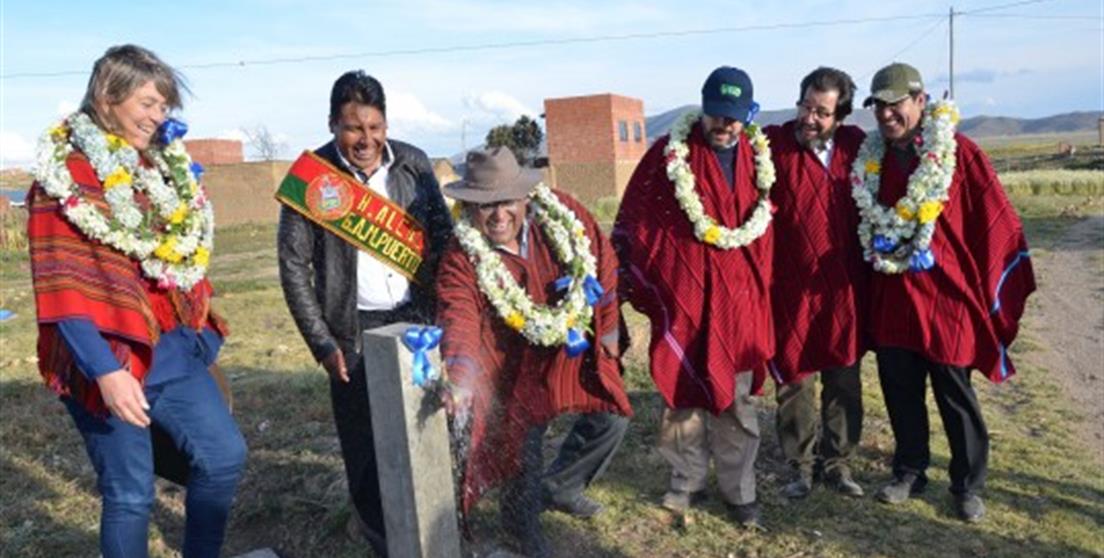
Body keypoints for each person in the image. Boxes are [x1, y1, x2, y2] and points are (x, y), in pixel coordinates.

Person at [27, 44, 246, 558]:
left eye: (164, 105)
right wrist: (106, 372)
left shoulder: (155, 169)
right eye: (148, 102)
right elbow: (61, 288)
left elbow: (169, 253)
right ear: (107, 95)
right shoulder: (63, 181)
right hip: (105, 361)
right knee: (129, 493)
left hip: (169, 346)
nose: (158, 116)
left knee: (223, 455)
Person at [276, 70, 453, 555]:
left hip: (416, 322)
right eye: (354, 128)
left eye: (375, 128)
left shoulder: (413, 164)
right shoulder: (314, 178)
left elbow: (442, 240)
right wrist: (323, 343)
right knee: (364, 445)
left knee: (429, 424)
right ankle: (381, 538)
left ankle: (435, 525)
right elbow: (293, 267)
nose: (367, 140)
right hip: (351, 331)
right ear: (334, 124)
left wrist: (448, 316)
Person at [855, 63, 1035, 522]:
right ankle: (910, 469)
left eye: (896, 103)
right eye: (879, 105)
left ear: (921, 100)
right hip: (895, 295)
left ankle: (968, 483)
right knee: (899, 389)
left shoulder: (958, 153)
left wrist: (988, 283)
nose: (887, 113)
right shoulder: (868, 161)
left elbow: (993, 222)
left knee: (955, 394)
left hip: (946, 299)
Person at [437, 147, 633, 557]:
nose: (497, 215)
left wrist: (610, 326)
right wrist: (461, 376)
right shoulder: (462, 254)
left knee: (610, 417)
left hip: (568, 343)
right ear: (469, 207)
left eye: (505, 201)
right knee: (520, 444)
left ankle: (562, 487)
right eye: (484, 205)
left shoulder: (563, 215)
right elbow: (459, 315)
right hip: (510, 362)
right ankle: (520, 530)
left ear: (524, 197)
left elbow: (604, 259)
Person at [613, 66, 774, 528]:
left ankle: (739, 491)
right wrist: (652, 275)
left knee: (738, 399)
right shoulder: (668, 156)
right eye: (717, 115)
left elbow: (765, 232)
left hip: (739, 298)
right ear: (703, 109)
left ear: (748, 115)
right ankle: (685, 481)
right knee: (681, 392)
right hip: (683, 293)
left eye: (734, 117)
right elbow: (640, 220)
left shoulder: (759, 157)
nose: (725, 126)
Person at [763, 67, 867, 500]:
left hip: (843, 287)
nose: (810, 118)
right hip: (789, 286)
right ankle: (800, 466)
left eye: (822, 112)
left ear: (840, 114)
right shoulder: (772, 145)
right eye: (806, 106)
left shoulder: (858, 147)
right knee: (795, 377)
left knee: (844, 375)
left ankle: (838, 462)